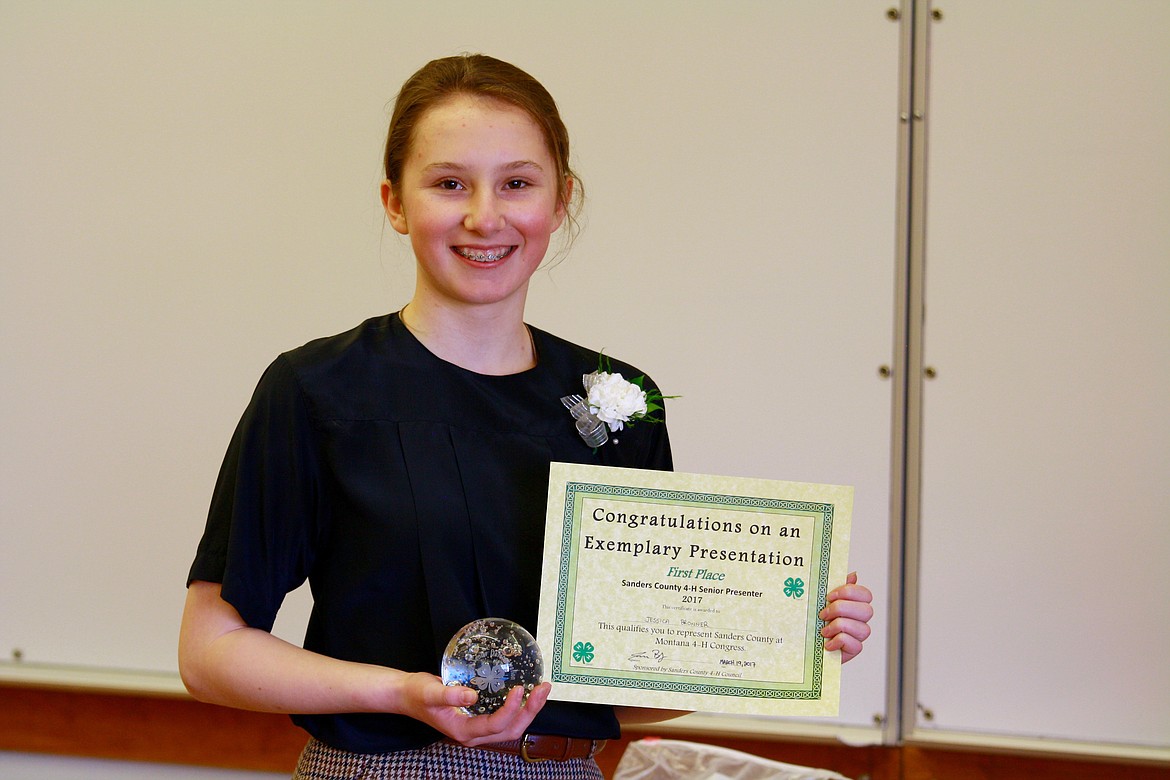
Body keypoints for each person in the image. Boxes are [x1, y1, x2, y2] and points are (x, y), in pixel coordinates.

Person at [179, 53, 874, 780]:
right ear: (394, 202)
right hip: (386, 770)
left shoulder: (621, 401)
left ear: (561, 199)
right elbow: (209, 652)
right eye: (449, 183)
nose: (485, 216)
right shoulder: (316, 391)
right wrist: (402, 693)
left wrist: (788, 636)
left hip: (566, 771)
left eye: (516, 183)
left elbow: (626, 689)